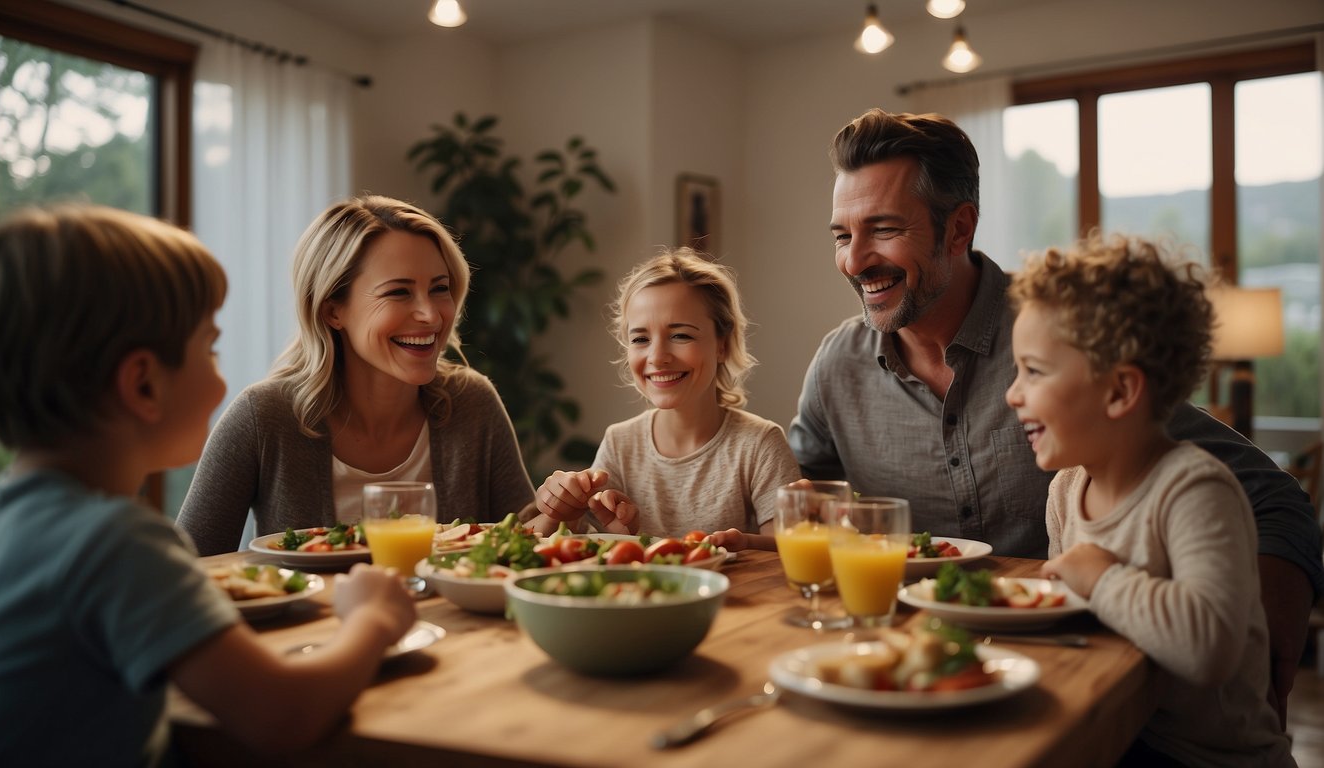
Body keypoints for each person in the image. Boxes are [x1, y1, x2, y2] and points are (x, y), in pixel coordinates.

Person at [789, 107, 1323, 723]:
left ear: (958, 228)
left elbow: (1271, 498)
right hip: (909, 672)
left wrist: (1271, 621)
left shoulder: (1060, 337)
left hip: (1064, 682)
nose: (854, 261)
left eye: (882, 230)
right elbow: (807, 499)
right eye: (840, 235)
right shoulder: (837, 366)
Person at [0, 206, 417, 765]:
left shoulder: (16, 521)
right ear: (143, 384)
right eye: (210, 348)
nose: (221, 379)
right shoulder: (114, 544)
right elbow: (284, 715)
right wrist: (374, 618)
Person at [1007, 234, 1293, 766]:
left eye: (1034, 371)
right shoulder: (1067, 491)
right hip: (1122, 736)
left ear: (1119, 392)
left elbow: (1209, 648)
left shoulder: (1193, 491)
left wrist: (1102, 577)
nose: (1012, 393)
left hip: (1212, 760)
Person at [177, 196, 536, 555]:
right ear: (334, 310)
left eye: (439, 288)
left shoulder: (472, 403)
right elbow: (184, 571)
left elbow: (521, 547)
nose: (431, 314)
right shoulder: (263, 416)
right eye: (399, 292)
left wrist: (555, 512)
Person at [531, 247, 800, 537]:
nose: (657, 357)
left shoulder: (760, 445)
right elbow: (574, 549)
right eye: (641, 338)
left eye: (680, 335)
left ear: (722, 344)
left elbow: (787, 554)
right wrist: (560, 515)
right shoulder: (620, 444)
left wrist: (740, 545)